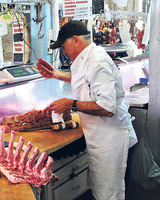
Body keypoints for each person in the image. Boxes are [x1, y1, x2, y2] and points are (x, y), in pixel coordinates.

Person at [37, 20, 137, 200]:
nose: (64, 51)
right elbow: (85, 80)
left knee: (109, 195)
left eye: (63, 46)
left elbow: (107, 107)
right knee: (100, 191)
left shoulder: (97, 60)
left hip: (111, 139)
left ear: (75, 40)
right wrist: (56, 74)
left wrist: (71, 104)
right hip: (101, 137)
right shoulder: (88, 58)